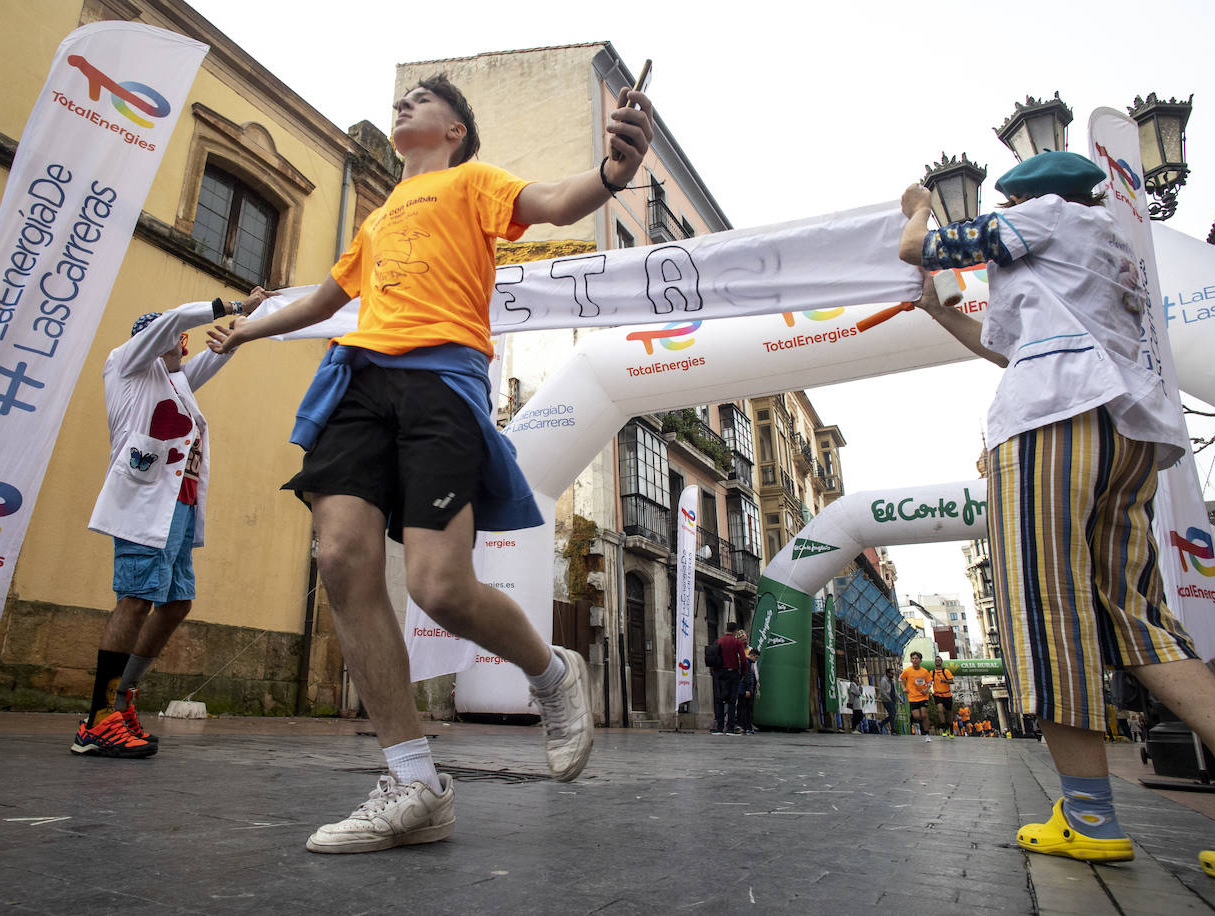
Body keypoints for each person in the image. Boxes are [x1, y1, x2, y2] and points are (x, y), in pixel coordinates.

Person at [207, 74, 654, 854]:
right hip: (358, 381)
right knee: (341, 556)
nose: (404, 103)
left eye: (424, 99)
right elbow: (324, 300)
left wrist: (614, 173)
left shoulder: (474, 182)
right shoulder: (377, 216)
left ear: (454, 131)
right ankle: (413, 781)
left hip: (441, 383)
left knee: (437, 585)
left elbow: (551, 201)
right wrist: (248, 329)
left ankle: (551, 674)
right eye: (402, 97)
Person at [899, 152, 1215, 881]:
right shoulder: (1106, 249)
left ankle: (1090, 818)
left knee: (1045, 611)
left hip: (1051, 426)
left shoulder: (1043, 217)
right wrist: (935, 306)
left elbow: (916, 247)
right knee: (1136, 615)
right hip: (1129, 431)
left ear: (1027, 197)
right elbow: (1007, 346)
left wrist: (917, 207)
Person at [74, 288, 275, 758]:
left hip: (178, 505)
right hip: (143, 504)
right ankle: (98, 719)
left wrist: (249, 324)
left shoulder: (174, 381)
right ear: (155, 338)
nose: (181, 346)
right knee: (136, 597)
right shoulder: (126, 365)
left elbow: (216, 355)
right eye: (174, 338)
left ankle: (122, 698)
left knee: (177, 602)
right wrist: (236, 307)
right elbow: (170, 322)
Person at [710, 623, 749, 735]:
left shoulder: (718, 641)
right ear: (736, 631)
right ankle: (730, 728)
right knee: (732, 701)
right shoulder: (737, 642)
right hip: (733, 674)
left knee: (720, 700)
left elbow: (712, 657)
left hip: (720, 674)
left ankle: (719, 727)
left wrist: (715, 672)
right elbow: (743, 659)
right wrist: (742, 674)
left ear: (726, 629)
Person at [898, 651, 933, 741]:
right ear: (910, 660)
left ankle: (927, 734)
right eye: (913, 658)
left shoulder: (924, 671)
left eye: (916, 658)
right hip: (912, 697)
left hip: (923, 696)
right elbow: (900, 679)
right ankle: (924, 725)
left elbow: (929, 682)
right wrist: (904, 688)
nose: (914, 660)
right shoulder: (907, 671)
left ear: (920, 660)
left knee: (924, 714)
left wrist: (926, 690)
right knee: (917, 716)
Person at [737, 647, 761, 735]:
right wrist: (748, 689)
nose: (756, 660)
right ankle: (746, 727)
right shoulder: (747, 663)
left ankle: (745, 726)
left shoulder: (748, 663)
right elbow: (747, 678)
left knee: (745, 708)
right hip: (745, 690)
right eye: (756, 658)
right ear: (752, 656)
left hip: (744, 689)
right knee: (746, 709)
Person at [930, 656, 955, 738]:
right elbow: (929, 681)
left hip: (947, 694)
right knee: (940, 710)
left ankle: (950, 728)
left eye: (939, 660)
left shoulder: (946, 671)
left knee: (949, 713)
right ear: (934, 662)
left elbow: (952, 681)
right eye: (936, 660)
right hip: (937, 694)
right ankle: (944, 727)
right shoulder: (932, 672)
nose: (937, 662)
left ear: (941, 662)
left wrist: (945, 681)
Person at [877, 667, 897, 735]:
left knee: (893, 714)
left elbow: (895, 691)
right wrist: (888, 698)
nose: (893, 675)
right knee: (892, 714)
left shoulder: (891, 680)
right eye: (891, 673)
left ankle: (881, 724)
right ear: (888, 673)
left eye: (893, 673)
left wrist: (900, 699)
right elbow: (882, 691)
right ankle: (893, 729)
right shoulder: (884, 680)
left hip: (892, 699)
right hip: (887, 700)